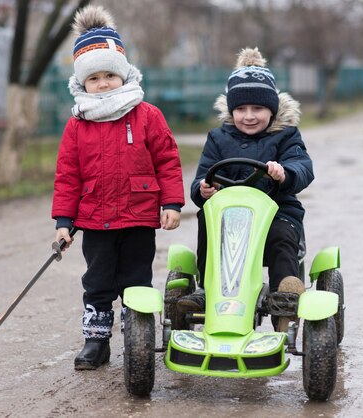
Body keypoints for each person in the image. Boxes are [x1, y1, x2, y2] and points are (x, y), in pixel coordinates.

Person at [52, 5, 185, 370]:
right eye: (94, 79)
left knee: (136, 280)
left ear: (124, 75)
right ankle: (96, 342)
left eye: (110, 74)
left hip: (139, 217)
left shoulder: (147, 115)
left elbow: (167, 160)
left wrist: (171, 202)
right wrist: (64, 220)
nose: (104, 83)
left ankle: (137, 340)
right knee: (97, 282)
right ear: (83, 83)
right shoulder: (77, 125)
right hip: (94, 219)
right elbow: (67, 175)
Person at [177, 47, 312, 331]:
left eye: (257, 109)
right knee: (208, 222)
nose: (249, 116)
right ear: (231, 110)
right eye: (241, 109)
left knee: (282, 235)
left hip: (275, 212)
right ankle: (207, 290)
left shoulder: (286, 136)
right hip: (230, 217)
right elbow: (203, 176)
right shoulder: (218, 138)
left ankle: (284, 296)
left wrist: (284, 173)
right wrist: (203, 190)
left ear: (272, 109)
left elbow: (303, 167)